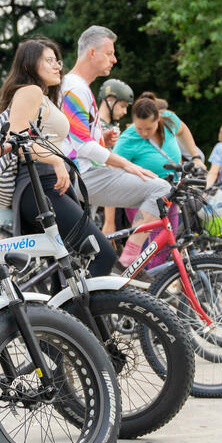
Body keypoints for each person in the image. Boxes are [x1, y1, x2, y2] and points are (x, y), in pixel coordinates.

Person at [0, 37, 117, 274]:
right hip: (40, 185)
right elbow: (17, 140)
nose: (57, 66)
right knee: (101, 253)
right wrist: (56, 159)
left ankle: (65, 311)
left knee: (64, 270)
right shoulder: (30, 91)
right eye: (49, 60)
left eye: (57, 61)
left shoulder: (42, 97)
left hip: (48, 186)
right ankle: (86, 312)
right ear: (30, 65)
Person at [61, 26, 172, 267]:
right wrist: (128, 165)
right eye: (110, 53)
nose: (115, 59)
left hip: (84, 173)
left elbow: (79, 139)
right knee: (161, 188)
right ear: (92, 52)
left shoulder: (79, 87)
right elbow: (83, 146)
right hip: (83, 176)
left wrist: (104, 140)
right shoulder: (73, 87)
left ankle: (128, 258)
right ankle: (131, 258)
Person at [95, 78, 133, 148]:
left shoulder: (112, 126)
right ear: (109, 100)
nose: (125, 112)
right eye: (122, 106)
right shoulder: (95, 127)